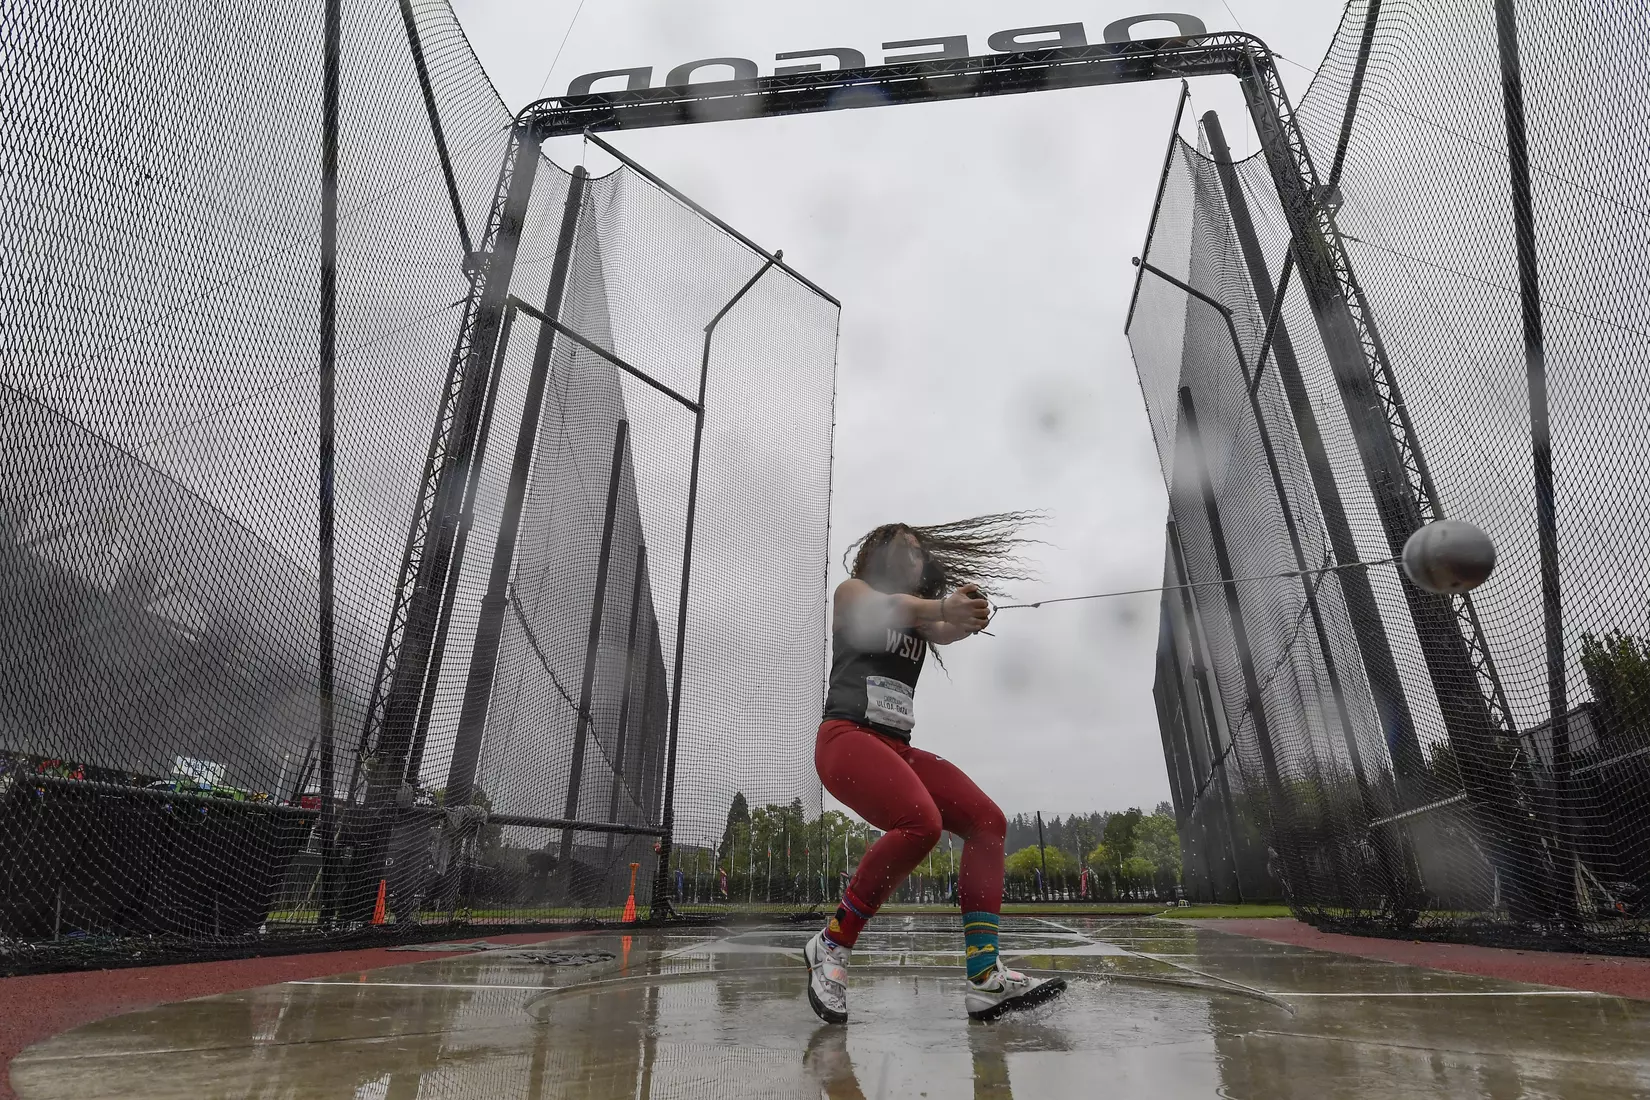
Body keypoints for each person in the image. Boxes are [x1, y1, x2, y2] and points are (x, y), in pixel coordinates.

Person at [803, 515, 1067, 1023]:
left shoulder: (922, 617)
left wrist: (968, 616)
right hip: (846, 740)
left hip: (896, 749)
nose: (912, 557)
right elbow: (897, 608)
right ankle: (832, 944)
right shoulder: (852, 594)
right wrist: (943, 607)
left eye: (919, 553)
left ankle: (985, 976)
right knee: (921, 823)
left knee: (987, 821)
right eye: (901, 549)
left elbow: (944, 628)